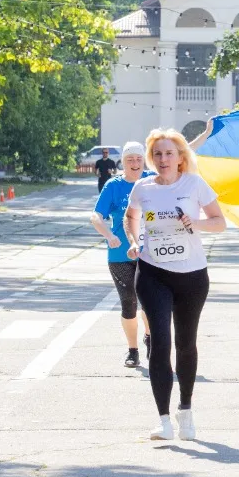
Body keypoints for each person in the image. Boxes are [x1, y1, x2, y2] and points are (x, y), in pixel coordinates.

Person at [124, 129, 225, 441]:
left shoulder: (194, 184)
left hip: (192, 275)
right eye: (157, 154)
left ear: (181, 158)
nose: (162, 159)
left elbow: (219, 222)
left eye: (169, 154)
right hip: (153, 272)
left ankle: (186, 410)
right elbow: (131, 216)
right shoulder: (143, 187)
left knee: (185, 343)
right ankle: (163, 420)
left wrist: (195, 223)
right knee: (160, 343)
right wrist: (134, 240)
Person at [90, 141, 153, 368]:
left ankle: (150, 337)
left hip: (151, 254)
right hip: (120, 255)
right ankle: (132, 350)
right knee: (129, 303)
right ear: (123, 162)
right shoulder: (113, 186)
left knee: (150, 303)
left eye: (138, 159)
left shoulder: (153, 179)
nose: (134, 163)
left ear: (143, 160)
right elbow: (96, 216)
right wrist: (109, 235)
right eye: (130, 160)